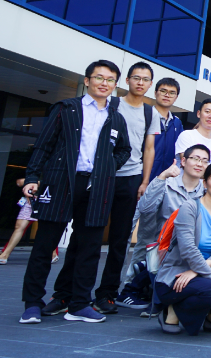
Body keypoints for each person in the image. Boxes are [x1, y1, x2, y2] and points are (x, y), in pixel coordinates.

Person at [19, 60, 131, 325]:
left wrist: (107, 167)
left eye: (110, 80)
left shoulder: (116, 117)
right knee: (45, 245)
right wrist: (32, 177)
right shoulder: (66, 108)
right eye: (99, 77)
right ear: (87, 80)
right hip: (60, 182)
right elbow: (44, 145)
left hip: (96, 187)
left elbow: (124, 150)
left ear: (115, 85)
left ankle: (79, 304)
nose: (104, 83)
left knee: (89, 249)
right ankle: (32, 304)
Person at [75, 62, 159, 315]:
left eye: (145, 79)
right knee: (86, 235)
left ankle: (107, 294)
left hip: (130, 178)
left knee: (120, 240)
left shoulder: (150, 112)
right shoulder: (112, 104)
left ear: (150, 84)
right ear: (127, 80)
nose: (140, 83)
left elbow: (149, 149)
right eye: (136, 78)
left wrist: (144, 181)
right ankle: (71, 293)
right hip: (102, 176)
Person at [155, 161, 211, 335]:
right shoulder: (190, 207)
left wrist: (197, 270)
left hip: (196, 274)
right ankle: (172, 309)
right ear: (204, 182)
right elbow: (188, 249)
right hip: (177, 277)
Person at [119, 145, 207, 310]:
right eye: (195, 159)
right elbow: (145, 208)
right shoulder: (167, 183)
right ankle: (132, 289)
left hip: (191, 246)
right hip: (164, 246)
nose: (199, 164)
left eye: (204, 160)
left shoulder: (206, 192)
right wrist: (162, 176)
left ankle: (145, 271)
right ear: (183, 161)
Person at [0, 179, 59, 265]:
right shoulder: (35, 172)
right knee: (19, 227)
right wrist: (33, 182)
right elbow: (19, 182)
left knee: (47, 228)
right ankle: (4, 255)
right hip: (31, 202)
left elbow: (56, 183)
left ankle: (53, 254)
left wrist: (35, 182)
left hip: (48, 202)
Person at [148, 77, 183, 181]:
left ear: (176, 97)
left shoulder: (177, 123)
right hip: (144, 175)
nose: (167, 95)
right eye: (163, 91)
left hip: (168, 179)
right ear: (155, 93)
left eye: (172, 93)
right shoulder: (146, 116)